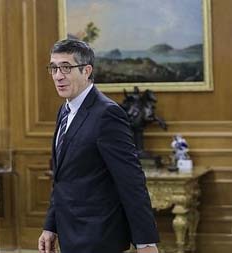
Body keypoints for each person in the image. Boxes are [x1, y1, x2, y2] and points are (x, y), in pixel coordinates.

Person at [38, 39, 159, 253]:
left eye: (66, 67)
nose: (58, 75)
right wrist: (51, 225)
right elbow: (62, 178)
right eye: (54, 68)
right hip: (69, 234)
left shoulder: (107, 114)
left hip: (99, 236)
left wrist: (146, 242)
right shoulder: (64, 111)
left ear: (86, 70)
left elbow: (131, 181)